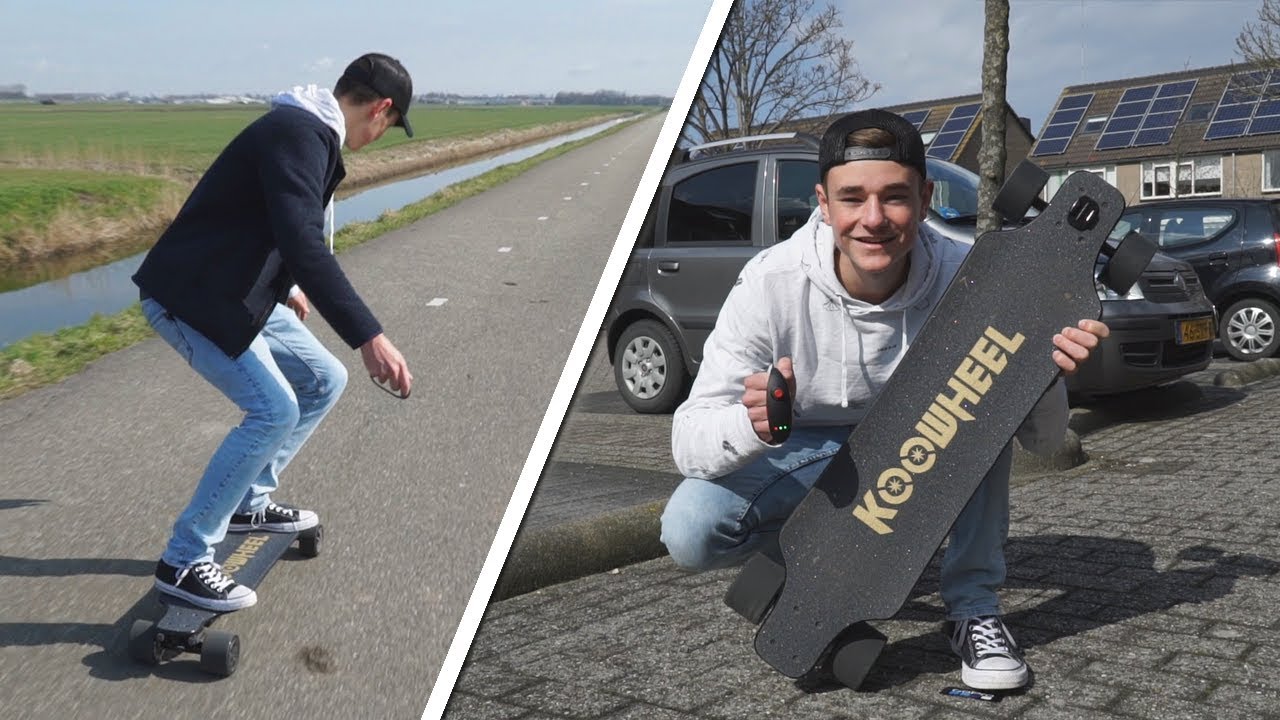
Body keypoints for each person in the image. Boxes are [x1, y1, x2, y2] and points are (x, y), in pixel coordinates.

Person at [659, 108, 1109, 691]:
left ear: (924, 199)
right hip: (807, 448)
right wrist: (756, 426)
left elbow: (1045, 443)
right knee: (691, 529)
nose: (873, 220)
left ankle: (972, 607)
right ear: (823, 202)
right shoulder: (770, 284)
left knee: (977, 405)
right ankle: (808, 565)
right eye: (852, 199)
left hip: (927, 443)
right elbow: (687, 441)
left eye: (894, 197)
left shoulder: (975, 280)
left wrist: (1043, 377)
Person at [133, 52, 416, 612]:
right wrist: (369, 336)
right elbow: (303, 242)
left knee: (323, 379)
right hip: (194, 296)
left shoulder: (309, 133)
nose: (382, 136)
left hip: (237, 289)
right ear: (382, 109)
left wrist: (284, 285)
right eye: (391, 124)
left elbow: (266, 222)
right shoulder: (300, 134)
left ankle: (249, 501)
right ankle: (184, 559)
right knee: (273, 409)